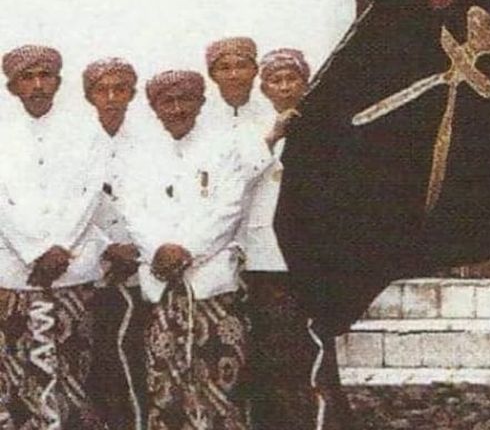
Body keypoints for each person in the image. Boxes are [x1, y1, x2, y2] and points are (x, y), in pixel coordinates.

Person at [126, 70, 269, 430]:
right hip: (162, 289)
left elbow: (228, 208)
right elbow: (133, 209)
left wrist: (187, 250)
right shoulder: (141, 155)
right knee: (164, 385)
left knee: (222, 383)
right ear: (154, 107)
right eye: (167, 102)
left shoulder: (224, 148)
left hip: (212, 287)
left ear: (201, 102)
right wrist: (159, 249)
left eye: (184, 99)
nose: (176, 109)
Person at [0, 44, 107, 428]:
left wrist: (62, 247)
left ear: (58, 82)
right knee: (17, 375)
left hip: (71, 272)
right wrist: (33, 252)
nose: (38, 85)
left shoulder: (85, 128)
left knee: (75, 372)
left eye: (45, 76)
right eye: (27, 78)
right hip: (14, 273)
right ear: (12, 87)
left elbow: (89, 192)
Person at [247, 48, 352, 430]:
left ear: (306, 83)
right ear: (264, 87)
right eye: (276, 80)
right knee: (271, 354)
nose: (285, 86)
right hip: (263, 258)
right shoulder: (253, 129)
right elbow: (239, 181)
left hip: (306, 256)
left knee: (311, 352)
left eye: (293, 78)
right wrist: (272, 137)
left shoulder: (324, 127)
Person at [82, 57, 148, 430]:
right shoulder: (75, 143)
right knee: (96, 359)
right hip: (93, 265)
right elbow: (70, 205)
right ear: (90, 95)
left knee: (134, 356)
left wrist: (134, 248)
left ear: (131, 94)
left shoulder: (146, 143)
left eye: (119, 89)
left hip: (137, 266)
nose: (111, 98)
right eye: (102, 90)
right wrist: (107, 247)